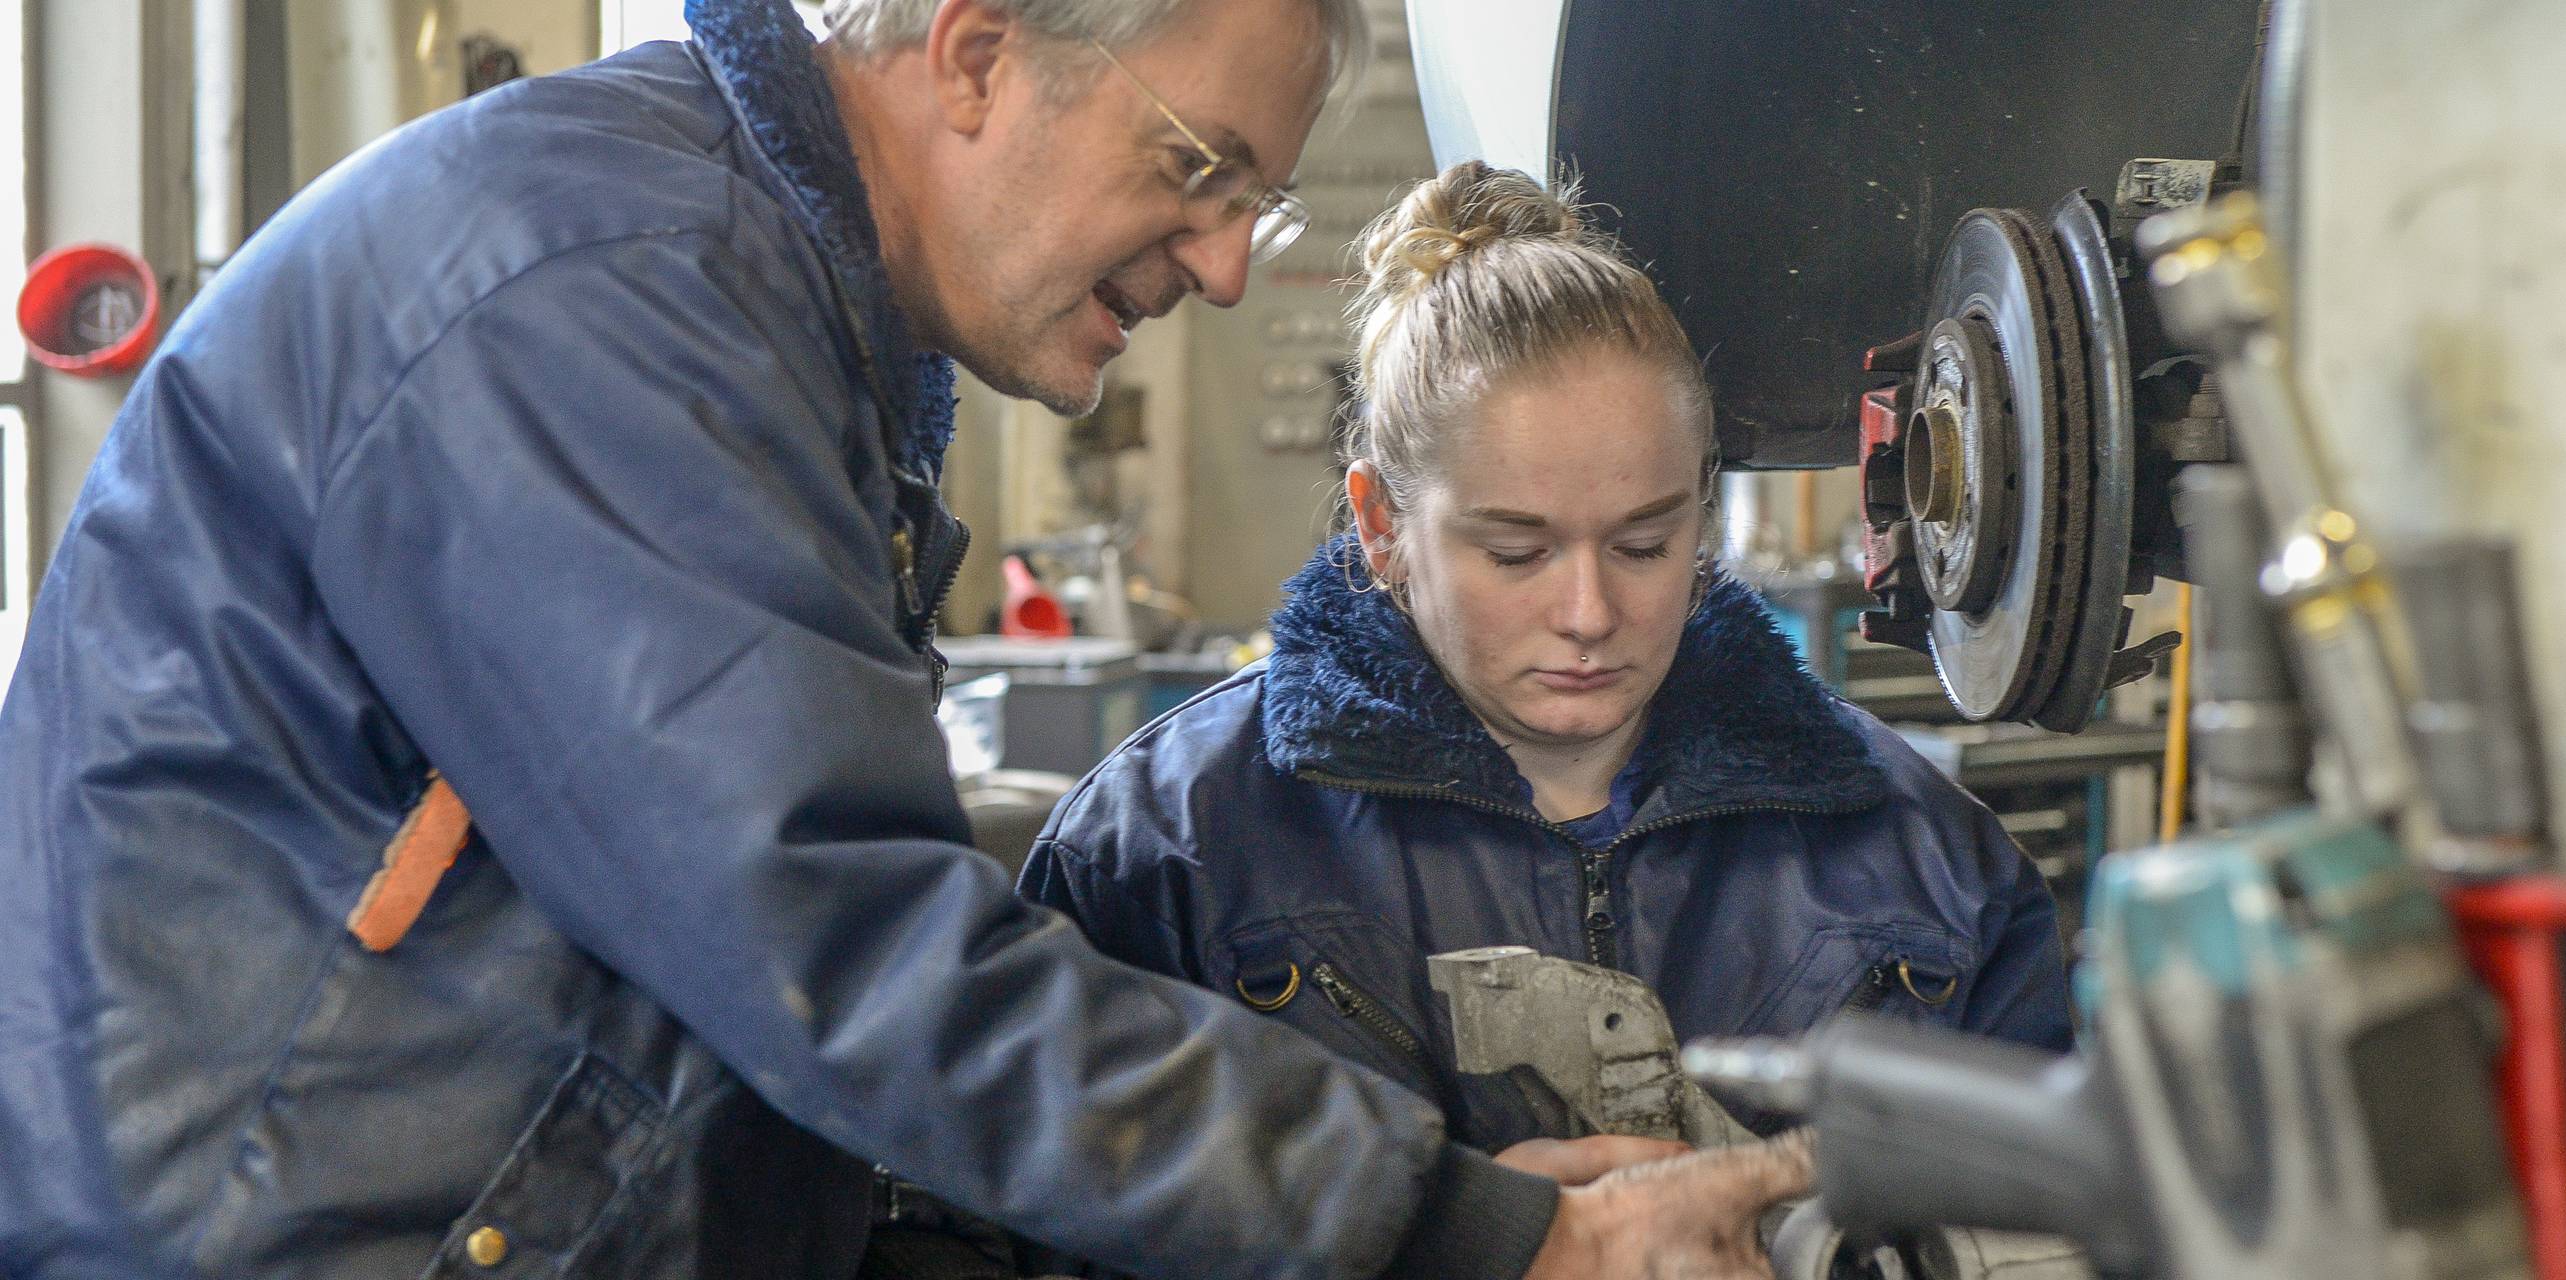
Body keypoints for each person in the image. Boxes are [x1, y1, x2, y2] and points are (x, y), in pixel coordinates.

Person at [0, 1, 1814, 1276]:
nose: (1228, 263)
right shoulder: (594, 296)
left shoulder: (762, 314)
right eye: (1197, 164)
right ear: (974, 53)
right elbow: (850, 946)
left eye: (1252, 197)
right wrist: (1479, 1235)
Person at [1019, 162, 2073, 1164]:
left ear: (1701, 507)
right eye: (1515, 552)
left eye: (1644, 544)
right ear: (1381, 523)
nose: (1588, 612)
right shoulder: (1169, 850)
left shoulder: (1923, 859)